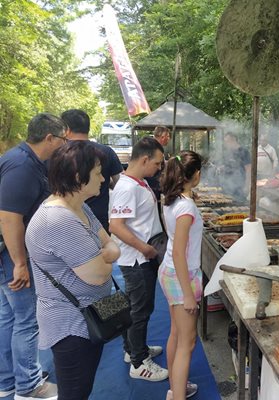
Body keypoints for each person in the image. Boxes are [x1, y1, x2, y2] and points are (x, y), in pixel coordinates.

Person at [25, 141, 120, 400]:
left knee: (83, 387)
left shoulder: (78, 206)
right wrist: (105, 255)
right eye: (98, 172)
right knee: (75, 393)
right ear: (79, 177)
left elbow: (111, 244)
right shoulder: (59, 219)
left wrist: (105, 254)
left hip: (92, 312)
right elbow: (99, 273)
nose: (103, 178)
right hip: (72, 324)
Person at [0, 113, 65, 400]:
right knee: (26, 320)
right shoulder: (22, 166)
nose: (64, 145)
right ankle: (28, 385)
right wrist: (20, 264)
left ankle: (8, 380)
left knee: (8, 318)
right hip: (9, 255)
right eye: (62, 139)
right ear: (49, 138)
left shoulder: (26, 160)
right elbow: (10, 219)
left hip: (7, 254)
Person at [109, 137, 168, 382]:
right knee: (139, 310)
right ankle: (139, 362)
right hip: (137, 259)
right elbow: (116, 226)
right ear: (144, 159)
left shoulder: (139, 182)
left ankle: (133, 349)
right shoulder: (126, 187)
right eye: (157, 163)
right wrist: (145, 249)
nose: (158, 168)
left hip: (143, 256)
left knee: (137, 306)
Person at [159, 151, 203, 400]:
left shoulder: (172, 199)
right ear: (195, 175)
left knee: (176, 333)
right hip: (181, 276)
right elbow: (179, 253)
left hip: (169, 273)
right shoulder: (185, 208)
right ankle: (178, 395)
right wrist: (188, 295)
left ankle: (176, 387)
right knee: (188, 342)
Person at [61, 109, 123, 233]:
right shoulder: (107, 152)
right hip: (98, 221)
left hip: (65, 220)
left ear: (66, 128)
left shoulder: (59, 154)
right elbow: (121, 184)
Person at [219, 132, 251, 202]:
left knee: (238, 207)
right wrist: (222, 168)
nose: (226, 144)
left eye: (227, 142)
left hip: (239, 187)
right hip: (228, 186)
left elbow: (249, 169)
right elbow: (228, 166)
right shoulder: (229, 152)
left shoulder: (244, 151)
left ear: (233, 139)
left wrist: (247, 186)